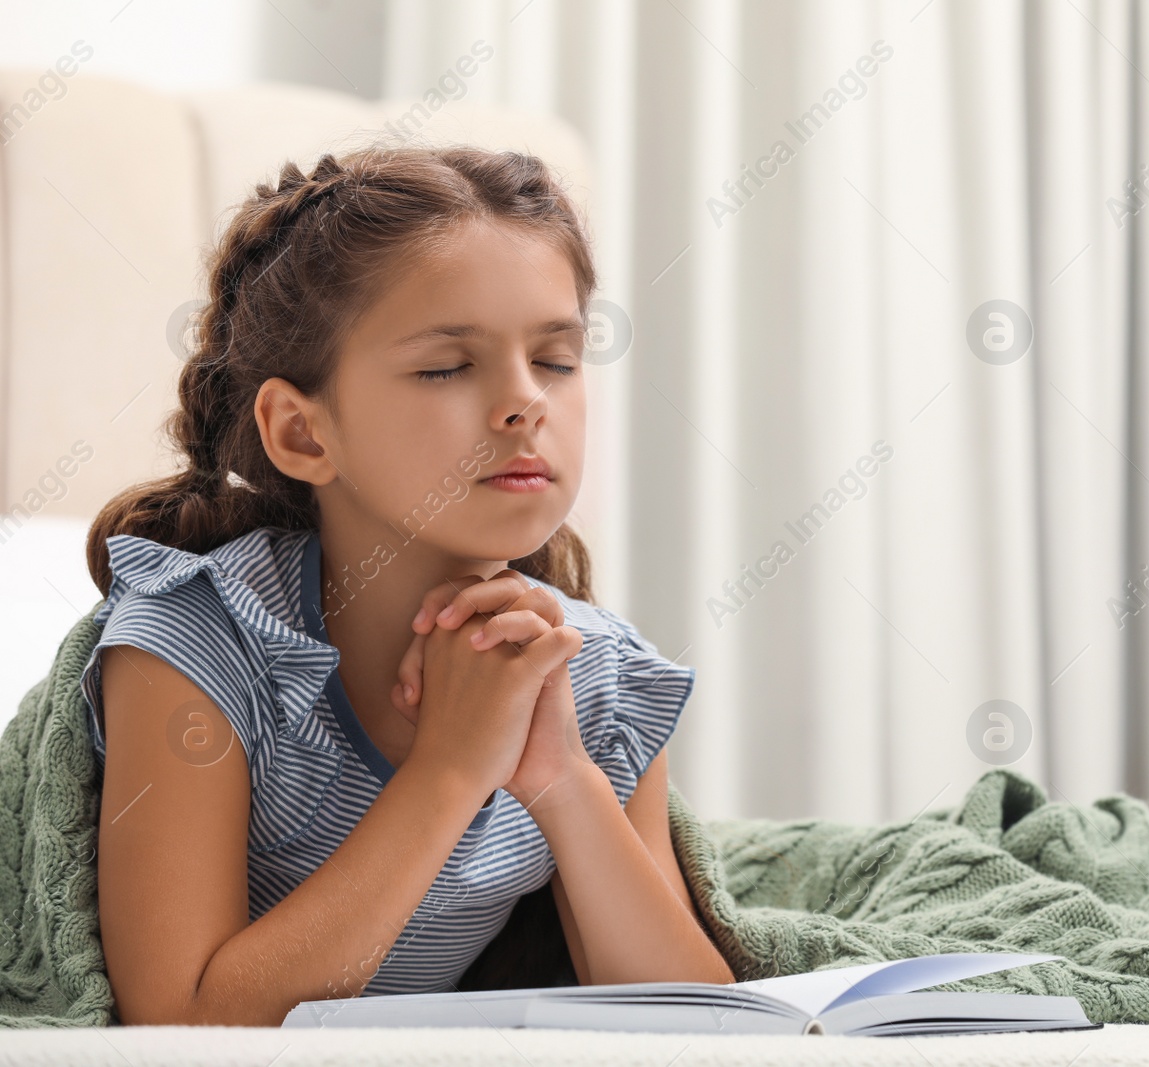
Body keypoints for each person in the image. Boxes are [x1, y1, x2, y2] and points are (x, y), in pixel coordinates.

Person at [79, 145, 733, 1026]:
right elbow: (181, 1024)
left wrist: (565, 781)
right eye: (444, 367)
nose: (523, 402)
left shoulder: (597, 671)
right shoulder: (202, 640)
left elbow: (705, 1029)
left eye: (556, 359)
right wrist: (451, 770)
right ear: (303, 434)